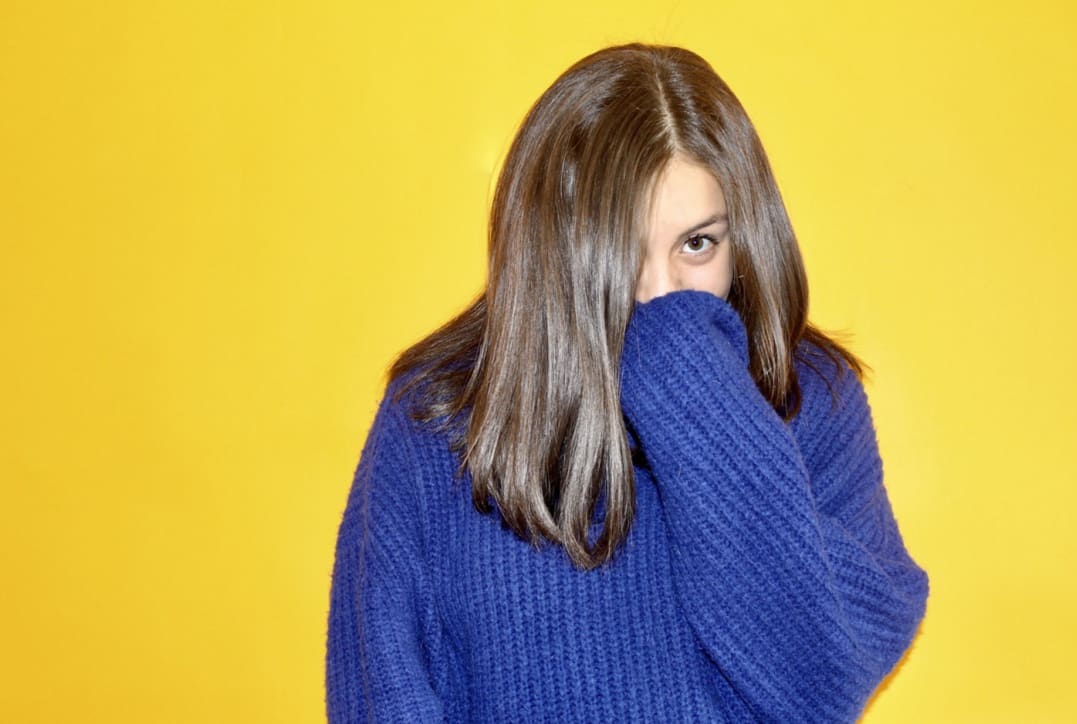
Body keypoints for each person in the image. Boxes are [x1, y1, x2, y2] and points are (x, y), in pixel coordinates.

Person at [325, 42, 929, 723]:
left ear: (746, 234)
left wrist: (688, 378)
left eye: (698, 243)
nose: (660, 293)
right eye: (623, 250)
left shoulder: (804, 396)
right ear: (557, 244)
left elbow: (818, 684)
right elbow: (382, 695)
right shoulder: (439, 415)